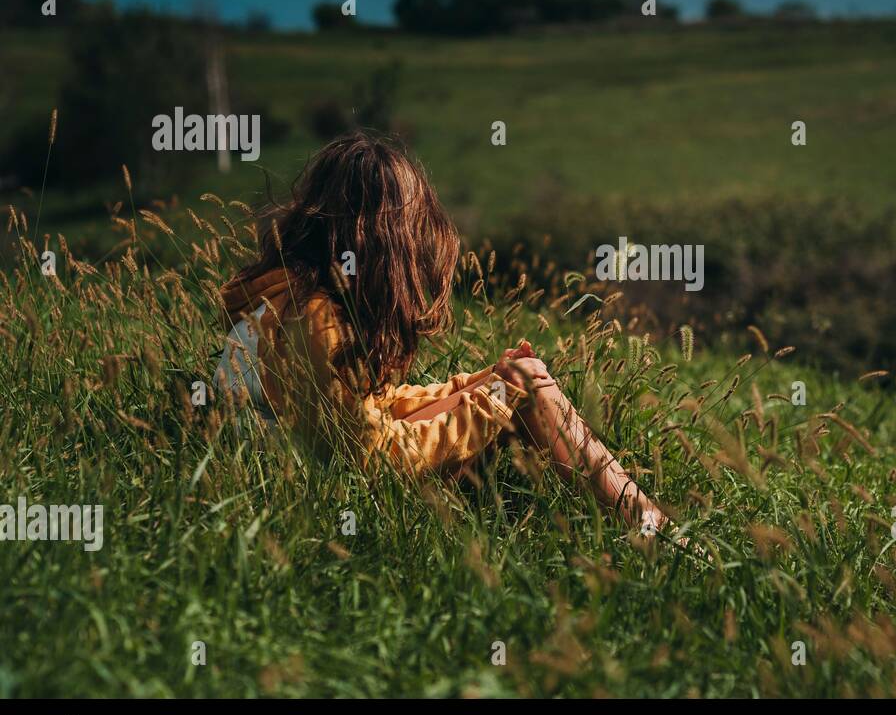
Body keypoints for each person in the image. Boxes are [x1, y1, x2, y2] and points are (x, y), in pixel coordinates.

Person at [215, 131, 671, 536]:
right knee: (528, 383)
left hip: (314, 479)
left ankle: (640, 523)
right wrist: (497, 400)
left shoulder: (285, 298)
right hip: (333, 500)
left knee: (521, 377)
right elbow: (375, 458)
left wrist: (484, 384)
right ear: (388, 238)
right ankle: (652, 532)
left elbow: (364, 415)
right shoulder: (315, 319)